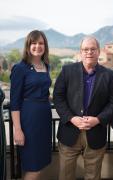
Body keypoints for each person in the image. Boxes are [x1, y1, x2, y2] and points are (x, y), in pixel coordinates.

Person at [53, 36, 113, 180]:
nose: (89, 52)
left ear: (99, 51)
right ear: (81, 52)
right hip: (70, 131)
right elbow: (58, 97)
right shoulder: (67, 71)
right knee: (65, 175)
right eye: (85, 49)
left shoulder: (109, 75)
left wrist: (98, 119)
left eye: (92, 49)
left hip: (95, 132)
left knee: (93, 176)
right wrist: (71, 118)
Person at [10, 30, 52, 180]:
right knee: (33, 166)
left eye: (41, 43)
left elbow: (44, 92)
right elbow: (14, 102)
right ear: (28, 46)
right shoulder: (20, 68)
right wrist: (18, 130)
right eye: (33, 43)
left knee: (41, 164)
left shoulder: (47, 66)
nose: (37, 46)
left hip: (44, 119)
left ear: (45, 46)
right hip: (29, 121)